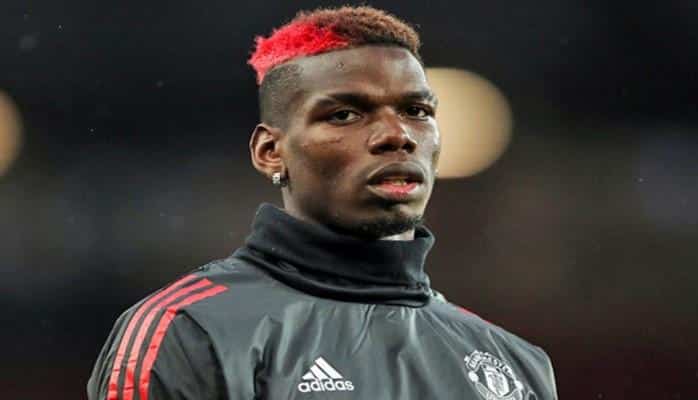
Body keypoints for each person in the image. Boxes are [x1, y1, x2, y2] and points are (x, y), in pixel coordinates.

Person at [88, 6, 558, 400]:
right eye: (345, 114)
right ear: (270, 152)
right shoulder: (190, 330)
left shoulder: (513, 362)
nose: (397, 135)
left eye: (417, 111)